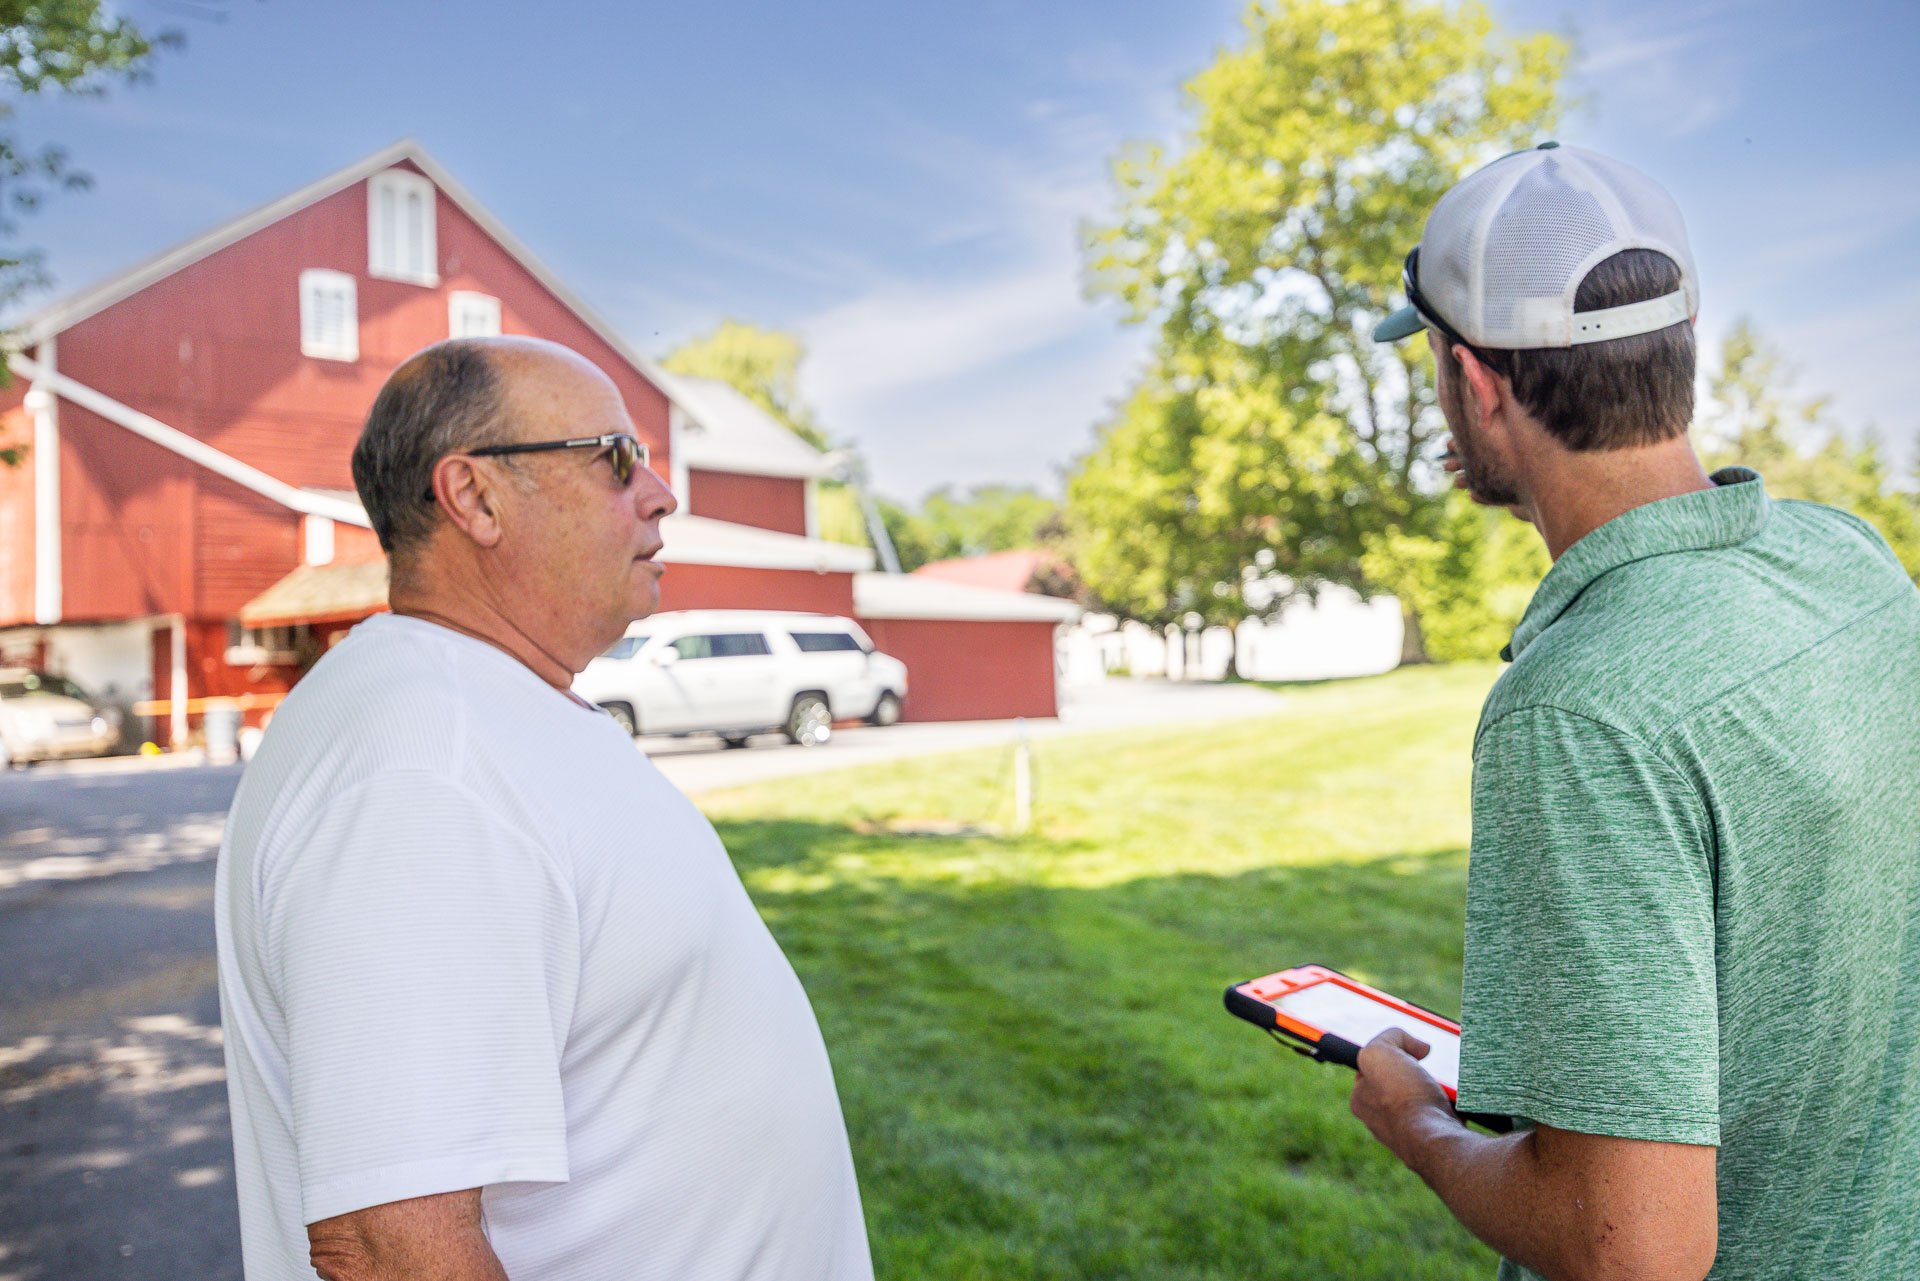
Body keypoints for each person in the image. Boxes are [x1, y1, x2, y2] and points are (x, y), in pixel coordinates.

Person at [1350, 143, 1920, 1279]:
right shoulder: (1849, 559)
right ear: (1678, 352)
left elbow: (1632, 1248)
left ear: (1477, 383)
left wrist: (1417, 1123)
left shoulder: (1576, 710)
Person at [214, 337, 873, 1281]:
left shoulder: (489, 707)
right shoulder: (422, 765)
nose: (659, 491)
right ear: (474, 497)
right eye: (614, 456)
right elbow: (389, 1242)